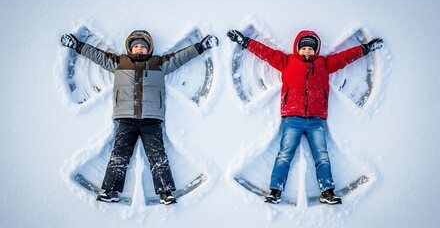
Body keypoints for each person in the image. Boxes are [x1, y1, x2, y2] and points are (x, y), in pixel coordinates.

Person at [61, 30, 218, 205]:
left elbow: (179, 57)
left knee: (157, 156)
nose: (139, 49)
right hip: (126, 117)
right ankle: (110, 191)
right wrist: (77, 45)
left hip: (151, 118)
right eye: (135, 46)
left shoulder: (158, 63)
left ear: (149, 49)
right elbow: (98, 56)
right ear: (130, 48)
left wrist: (201, 47)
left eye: (143, 47)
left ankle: (165, 193)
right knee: (119, 154)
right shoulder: (120, 63)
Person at [227, 29, 383, 205]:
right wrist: (245, 41)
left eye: (311, 48)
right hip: (293, 118)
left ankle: (327, 192)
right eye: (304, 48)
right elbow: (267, 53)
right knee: (285, 155)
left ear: (316, 50)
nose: (307, 51)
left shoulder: (324, 64)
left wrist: (366, 48)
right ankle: (275, 191)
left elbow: (345, 57)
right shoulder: (287, 62)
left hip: (316, 120)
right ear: (297, 48)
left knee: (322, 156)